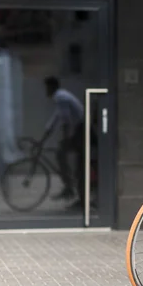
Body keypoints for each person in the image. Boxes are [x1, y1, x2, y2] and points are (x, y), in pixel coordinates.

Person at [41, 76, 86, 208]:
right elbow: (56, 119)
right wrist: (44, 137)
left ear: (52, 87)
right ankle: (70, 186)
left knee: (64, 155)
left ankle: (69, 187)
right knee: (64, 155)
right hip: (80, 129)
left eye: (47, 87)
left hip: (82, 130)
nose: (45, 91)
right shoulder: (61, 96)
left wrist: (66, 139)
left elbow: (66, 120)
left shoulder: (61, 97)